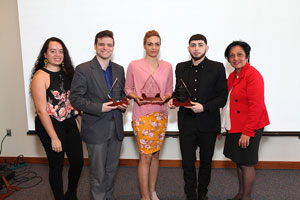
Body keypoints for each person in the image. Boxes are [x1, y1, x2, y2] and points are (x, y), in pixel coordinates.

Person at [168, 34, 227, 200]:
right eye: (193, 45)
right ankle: (190, 195)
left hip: (208, 123)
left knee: (206, 163)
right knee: (187, 163)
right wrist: (173, 101)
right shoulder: (180, 67)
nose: (196, 48)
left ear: (206, 48)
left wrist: (205, 107)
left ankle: (202, 195)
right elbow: (179, 92)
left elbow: (222, 97)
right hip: (186, 123)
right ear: (188, 49)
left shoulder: (217, 67)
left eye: (200, 45)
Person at [70, 30, 127, 200]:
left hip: (116, 127)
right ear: (95, 46)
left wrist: (122, 105)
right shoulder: (83, 69)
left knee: (111, 171)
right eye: (101, 44)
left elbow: (119, 94)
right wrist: (99, 107)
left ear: (113, 47)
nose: (105, 48)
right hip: (96, 128)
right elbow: (75, 99)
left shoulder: (119, 69)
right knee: (97, 175)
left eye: (109, 45)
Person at [30, 37, 83, 200]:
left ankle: (71, 193)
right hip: (49, 125)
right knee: (56, 165)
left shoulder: (68, 72)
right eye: (53, 51)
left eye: (61, 51)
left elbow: (73, 102)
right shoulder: (40, 76)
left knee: (77, 162)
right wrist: (54, 138)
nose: (57, 54)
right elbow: (41, 110)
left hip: (68, 122)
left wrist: (80, 125)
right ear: (45, 54)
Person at [125, 30, 173, 200]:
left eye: (157, 44)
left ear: (160, 46)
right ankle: (144, 196)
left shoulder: (167, 66)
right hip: (142, 115)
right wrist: (134, 96)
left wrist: (166, 97)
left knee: (156, 155)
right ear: (144, 45)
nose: (153, 47)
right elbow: (127, 89)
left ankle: (152, 191)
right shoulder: (134, 65)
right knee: (145, 156)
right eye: (150, 44)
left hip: (160, 115)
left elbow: (169, 90)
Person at [222, 41, 270, 200]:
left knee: (247, 163)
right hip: (235, 126)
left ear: (247, 56)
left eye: (240, 54)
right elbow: (228, 103)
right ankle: (241, 194)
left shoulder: (253, 75)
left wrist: (248, 132)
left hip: (250, 127)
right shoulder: (232, 75)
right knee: (239, 161)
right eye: (232, 55)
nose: (236, 58)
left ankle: (246, 197)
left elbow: (257, 107)